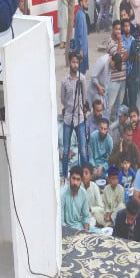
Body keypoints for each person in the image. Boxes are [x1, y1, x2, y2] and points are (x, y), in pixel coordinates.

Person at [61, 52, 88, 181]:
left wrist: (80, 109)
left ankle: (85, 175)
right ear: (69, 63)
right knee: (66, 150)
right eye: (73, 62)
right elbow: (62, 99)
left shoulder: (82, 79)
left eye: (77, 62)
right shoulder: (64, 81)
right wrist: (69, 107)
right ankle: (65, 177)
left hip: (80, 117)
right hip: (68, 118)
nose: (75, 64)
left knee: (83, 149)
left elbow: (84, 98)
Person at [61, 166, 98, 233]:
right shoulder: (62, 195)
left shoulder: (83, 193)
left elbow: (86, 216)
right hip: (67, 230)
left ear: (81, 181)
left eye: (78, 180)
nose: (75, 182)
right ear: (69, 179)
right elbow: (61, 223)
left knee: (100, 233)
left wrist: (85, 232)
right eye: (73, 178)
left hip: (80, 226)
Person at [107, 20, 129, 120]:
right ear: (112, 29)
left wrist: (117, 61)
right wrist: (118, 59)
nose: (118, 31)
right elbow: (118, 56)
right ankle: (105, 124)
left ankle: (116, 127)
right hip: (114, 79)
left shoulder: (121, 41)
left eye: (120, 29)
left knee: (119, 107)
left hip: (123, 78)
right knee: (109, 105)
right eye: (116, 29)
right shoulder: (110, 42)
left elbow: (125, 55)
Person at [81, 163, 103, 227]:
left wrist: (90, 209)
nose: (83, 175)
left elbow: (101, 207)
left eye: (86, 173)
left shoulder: (94, 186)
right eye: (82, 173)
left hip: (91, 216)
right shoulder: (79, 187)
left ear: (91, 176)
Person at [73, 0, 89, 74]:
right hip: (81, 51)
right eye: (85, 1)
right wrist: (81, 51)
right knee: (80, 75)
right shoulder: (80, 15)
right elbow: (80, 35)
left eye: (87, 1)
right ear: (81, 2)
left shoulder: (82, 14)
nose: (87, 3)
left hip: (83, 50)